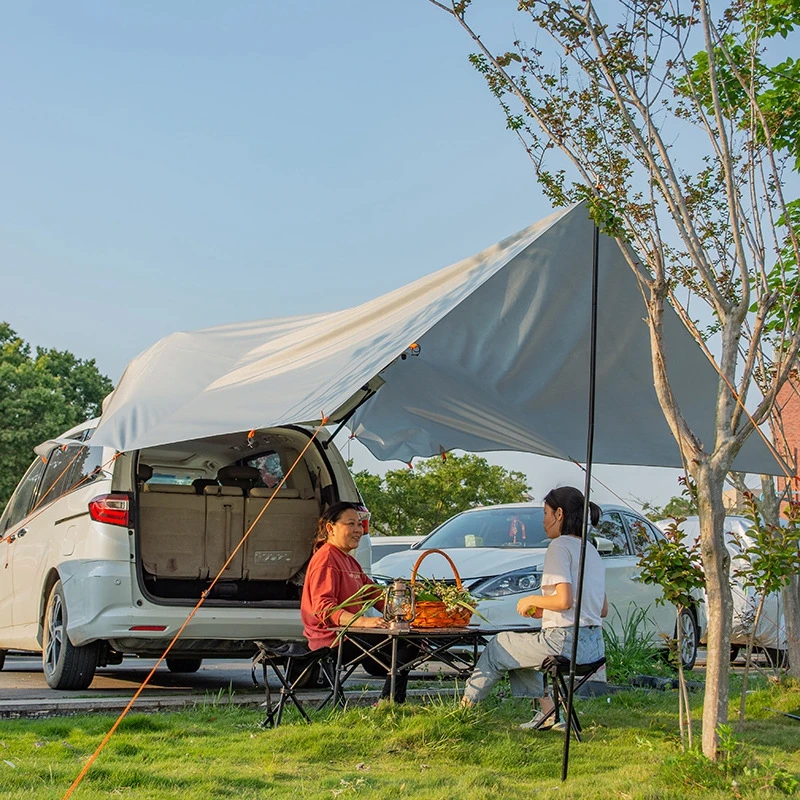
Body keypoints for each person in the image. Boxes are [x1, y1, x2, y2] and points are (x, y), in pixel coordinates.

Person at [461, 486, 607, 728]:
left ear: (559, 514)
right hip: (593, 647)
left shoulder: (559, 547)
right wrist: (547, 609)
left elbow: (564, 600)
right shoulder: (591, 551)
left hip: (565, 642)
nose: (543, 521)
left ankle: (464, 709)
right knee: (515, 649)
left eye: (545, 513)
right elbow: (600, 609)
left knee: (500, 646)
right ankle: (549, 713)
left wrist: (531, 600)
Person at [301, 501, 411, 702]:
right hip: (332, 640)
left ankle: (390, 695)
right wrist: (364, 622)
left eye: (360, 525)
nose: (358, 530)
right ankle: (391, 702)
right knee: (405, 642)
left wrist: (410, 609)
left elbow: (376, 595)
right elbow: (324, 610)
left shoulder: (349, 561)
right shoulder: (326, 558)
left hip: (351, 636)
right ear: (330, 528)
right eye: (350, 524)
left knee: (412, 640)